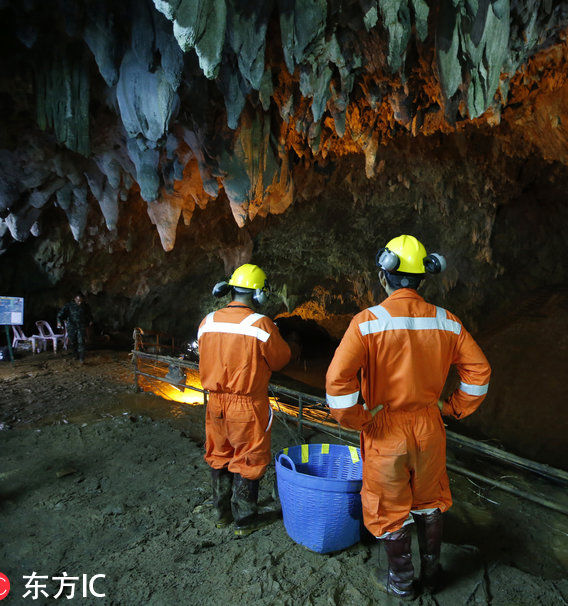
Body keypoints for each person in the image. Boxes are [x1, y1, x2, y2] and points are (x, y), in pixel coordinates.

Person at [325, 235, 492, 599]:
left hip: (385, 428)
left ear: (383, 276)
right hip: (429, 427)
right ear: (422, 279)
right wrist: (451, 407)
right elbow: (479, 373)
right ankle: (433, 576)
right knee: (430, 501)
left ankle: (402, 582)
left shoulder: (367, 323)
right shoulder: (448, 322)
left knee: (388, 506)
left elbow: (337, 384)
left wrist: (359, 418)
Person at [197, 263, 291, 537]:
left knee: (219, 454)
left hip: (215, 403)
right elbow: (280, 359)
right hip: (247, 405)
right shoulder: (260, 324)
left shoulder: (208, 322)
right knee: (248, 459)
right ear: (259, 294)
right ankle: (245, 519)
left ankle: (222, 515)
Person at [57, 293, 93, 363]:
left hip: (81, 326)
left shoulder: (85, 306)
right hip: (71, 326)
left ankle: (81, 358)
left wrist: (90, 320)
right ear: (75, 299)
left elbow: (89, 314)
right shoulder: (69, 305)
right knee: (73, 341)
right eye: (78, 301)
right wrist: (59, 322)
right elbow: (60, 314)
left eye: (81, 301)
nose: (80, 302)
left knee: (81, 341)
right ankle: (75, 354)